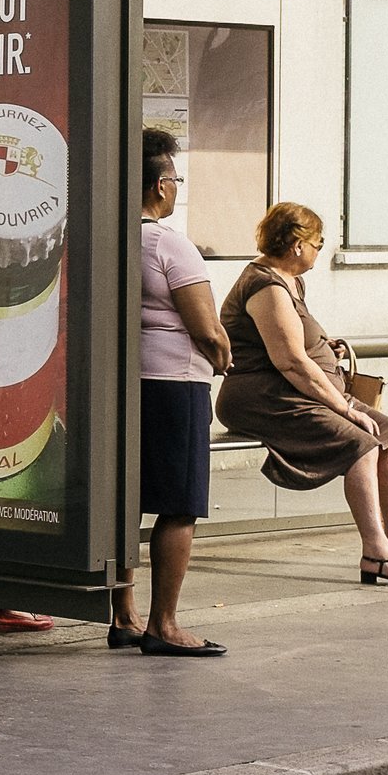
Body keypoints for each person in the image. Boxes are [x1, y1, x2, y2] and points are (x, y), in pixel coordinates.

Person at [216, 202, 388, 588]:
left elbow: (297, 340)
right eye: (318, 242)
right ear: (297, 244)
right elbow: (290, 362)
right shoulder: (265, 285)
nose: (320, 250)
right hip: (263, 396)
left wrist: (324, 344)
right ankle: (376, 552)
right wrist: (344, 408)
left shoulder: (290, 281)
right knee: (362, 442)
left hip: (297, 389)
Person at [118, 129, 233, 656]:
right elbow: (207, 329)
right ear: (162, 186)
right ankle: (164, 624)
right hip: (176, 385)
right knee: (180, 504)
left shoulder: (115, 238)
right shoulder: (169, 244)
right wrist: (223, 359)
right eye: (176, 180)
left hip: (129, 382)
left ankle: (124, 615)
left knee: (128, 502)